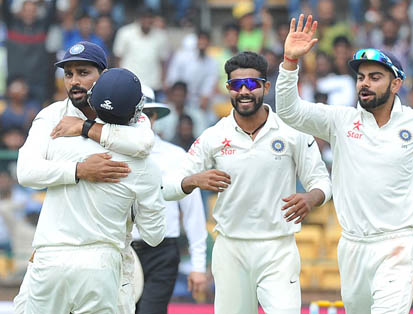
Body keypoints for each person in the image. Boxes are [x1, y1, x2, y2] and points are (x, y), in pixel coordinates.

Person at [276, 14, 413, 314]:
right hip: (352, 246)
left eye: (375, 77)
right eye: (361, 77)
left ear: (397, 84)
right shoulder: (341, 121)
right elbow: (288, 111)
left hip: (398, 244)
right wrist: (290, 62)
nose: (364, 84)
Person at [163, 51, 332, 314]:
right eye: (236, 85)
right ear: (228, 88)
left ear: (265, 86)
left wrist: (311, 198)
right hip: (231, 248)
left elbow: (322, 181)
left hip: (278, 248)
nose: (244, 91)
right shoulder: (214, 136)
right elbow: (169, 186)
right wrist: (194, 180)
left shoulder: (291, 133)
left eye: (251, 84)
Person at [12, 41, 155, 314]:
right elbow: (26, 172)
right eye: (68, 74)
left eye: (83, 72)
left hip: (105, 255)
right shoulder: (51, 116)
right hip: (52, 251)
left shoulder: (128, 116)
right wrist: (79, 170)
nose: (74, 81)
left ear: (104, 74)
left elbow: (144, 144)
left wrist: (85, 128)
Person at [131, 86, 208, 314]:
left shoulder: (176, 156)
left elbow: (193, 213)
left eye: (144, 114)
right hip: (121, 250)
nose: (139, 121)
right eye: (133, 114)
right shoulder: (111, 155)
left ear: (154, 117)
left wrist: (198, 266)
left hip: (161, 252)